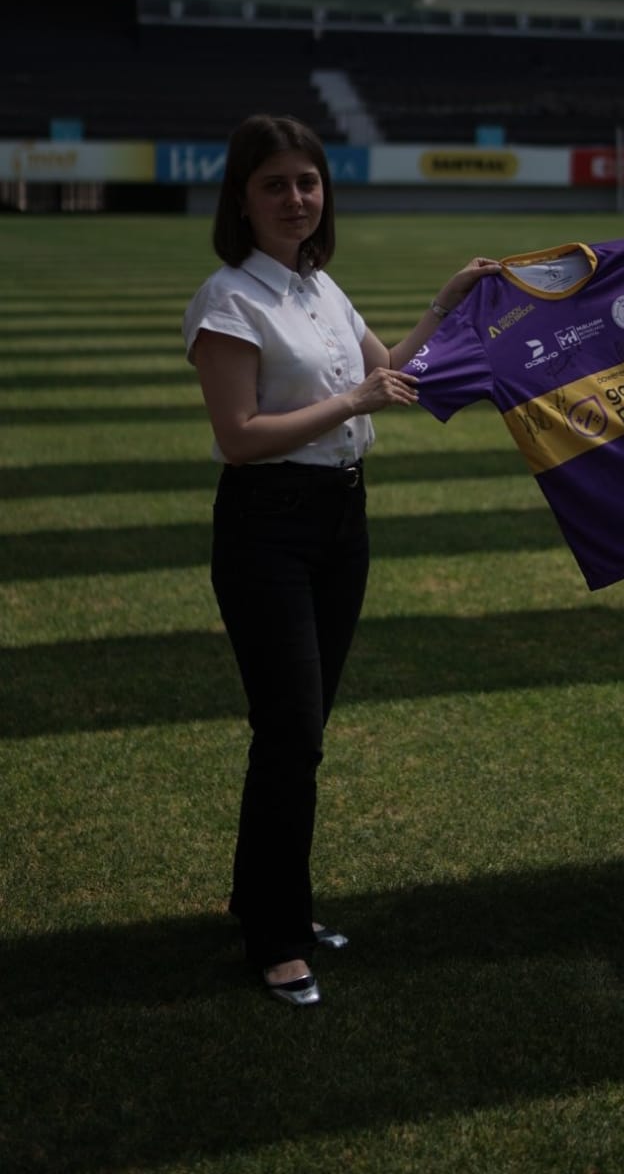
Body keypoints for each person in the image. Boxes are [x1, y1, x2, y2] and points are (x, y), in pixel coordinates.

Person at [183, 114, 498, 1005]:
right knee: (292, 732)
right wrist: (355, 400)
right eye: (274, 185)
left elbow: (390, 368)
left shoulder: (320, 285)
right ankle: (277, 937)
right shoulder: (227, 300)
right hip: (267, 527)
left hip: (340, 522)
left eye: (307, 182)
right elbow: (240, 437)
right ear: (242, 199)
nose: (295, 198)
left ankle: (263, 899)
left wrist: (447, 300)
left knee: (301, 727)